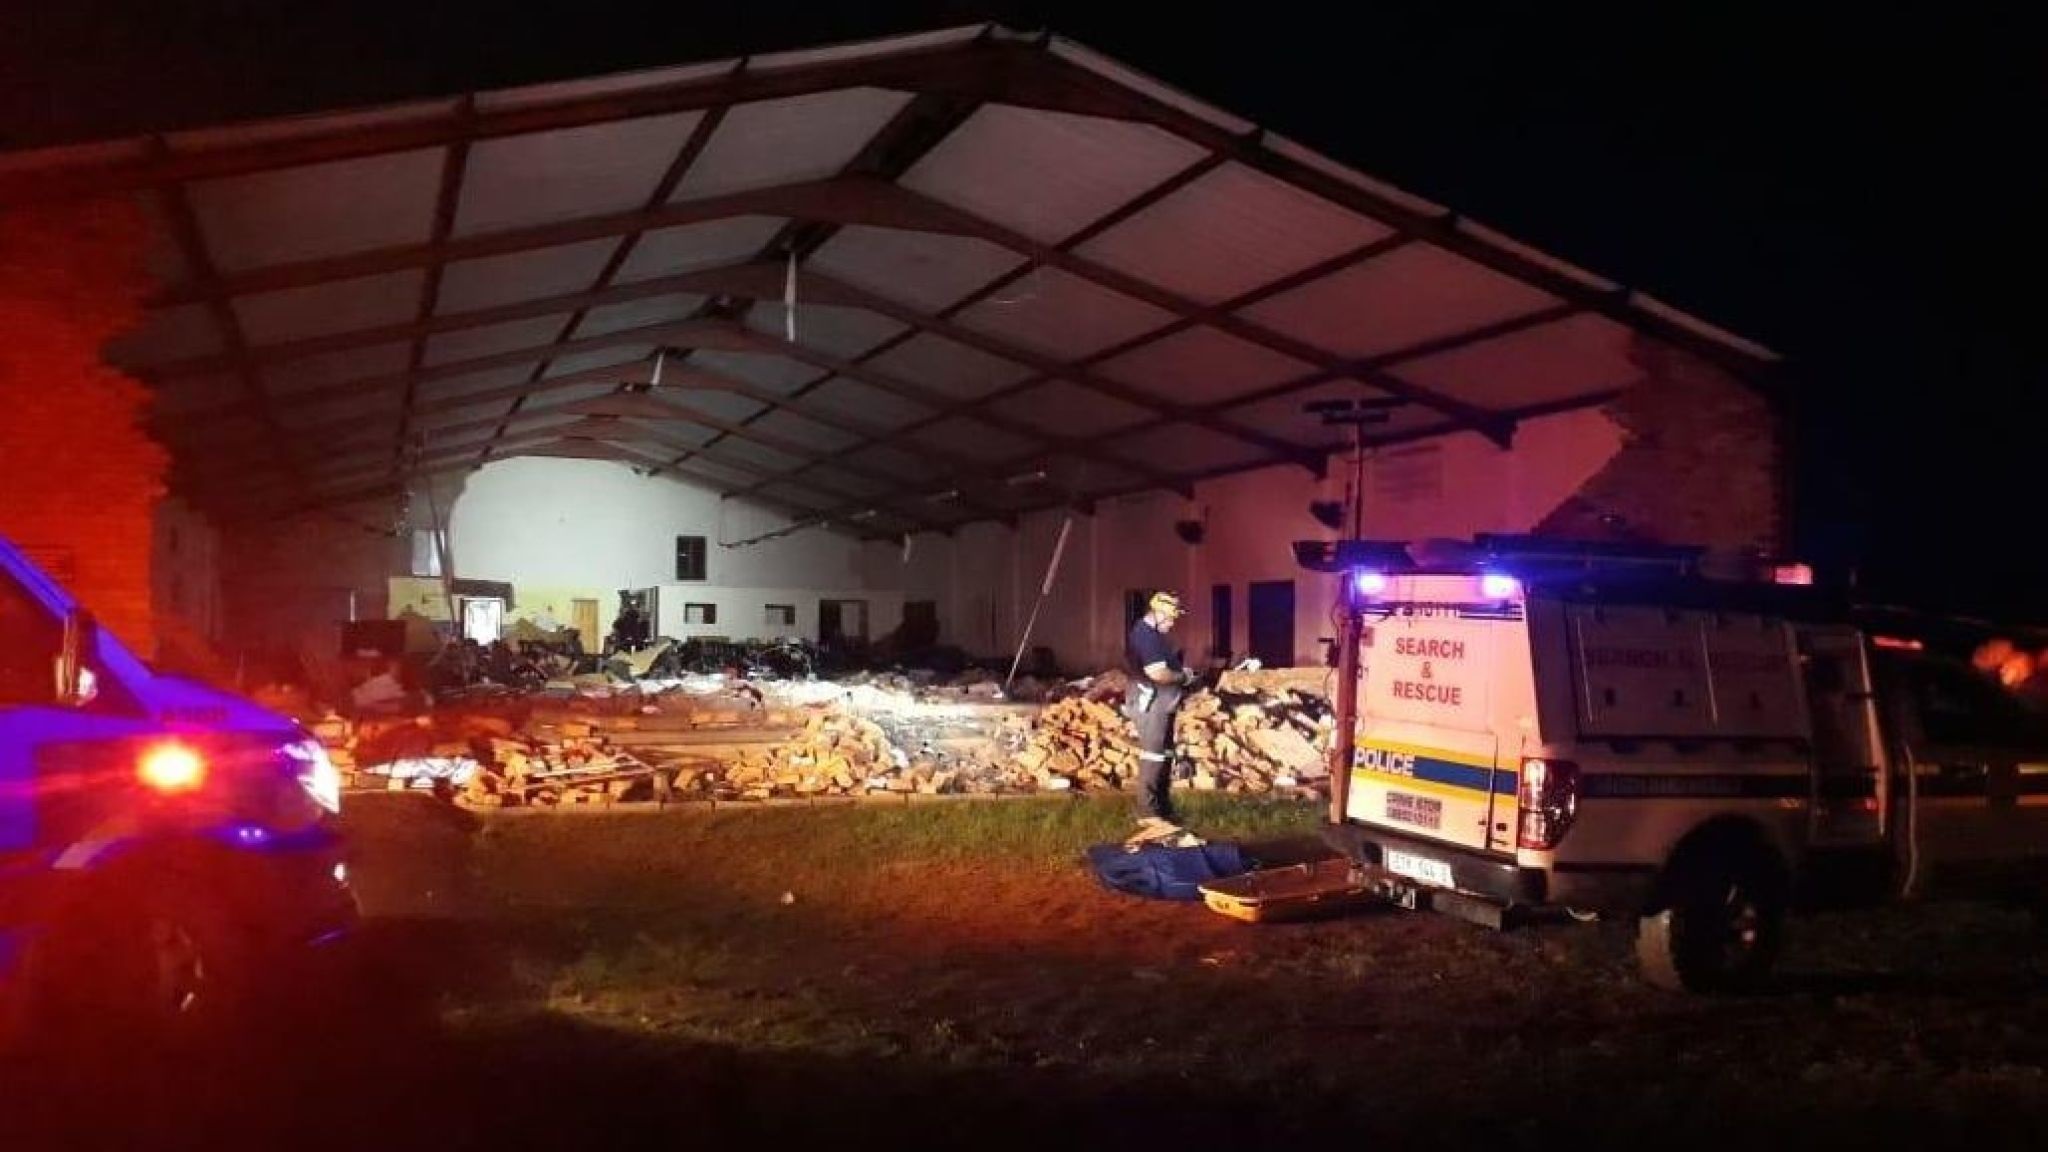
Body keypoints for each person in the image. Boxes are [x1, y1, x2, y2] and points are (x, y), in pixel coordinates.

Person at [1125, 590, 1201, 844]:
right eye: (1170, 618)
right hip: (1151, 702)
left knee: (1164, 753)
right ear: (1158, 613)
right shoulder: (1146, 636)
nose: (1172, 623)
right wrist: (1183, 677)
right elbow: (1158, 673)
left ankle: (1161, 807)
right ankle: (1148, 814)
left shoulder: (1153, 635)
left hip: (1161, 701)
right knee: (1153, 754)